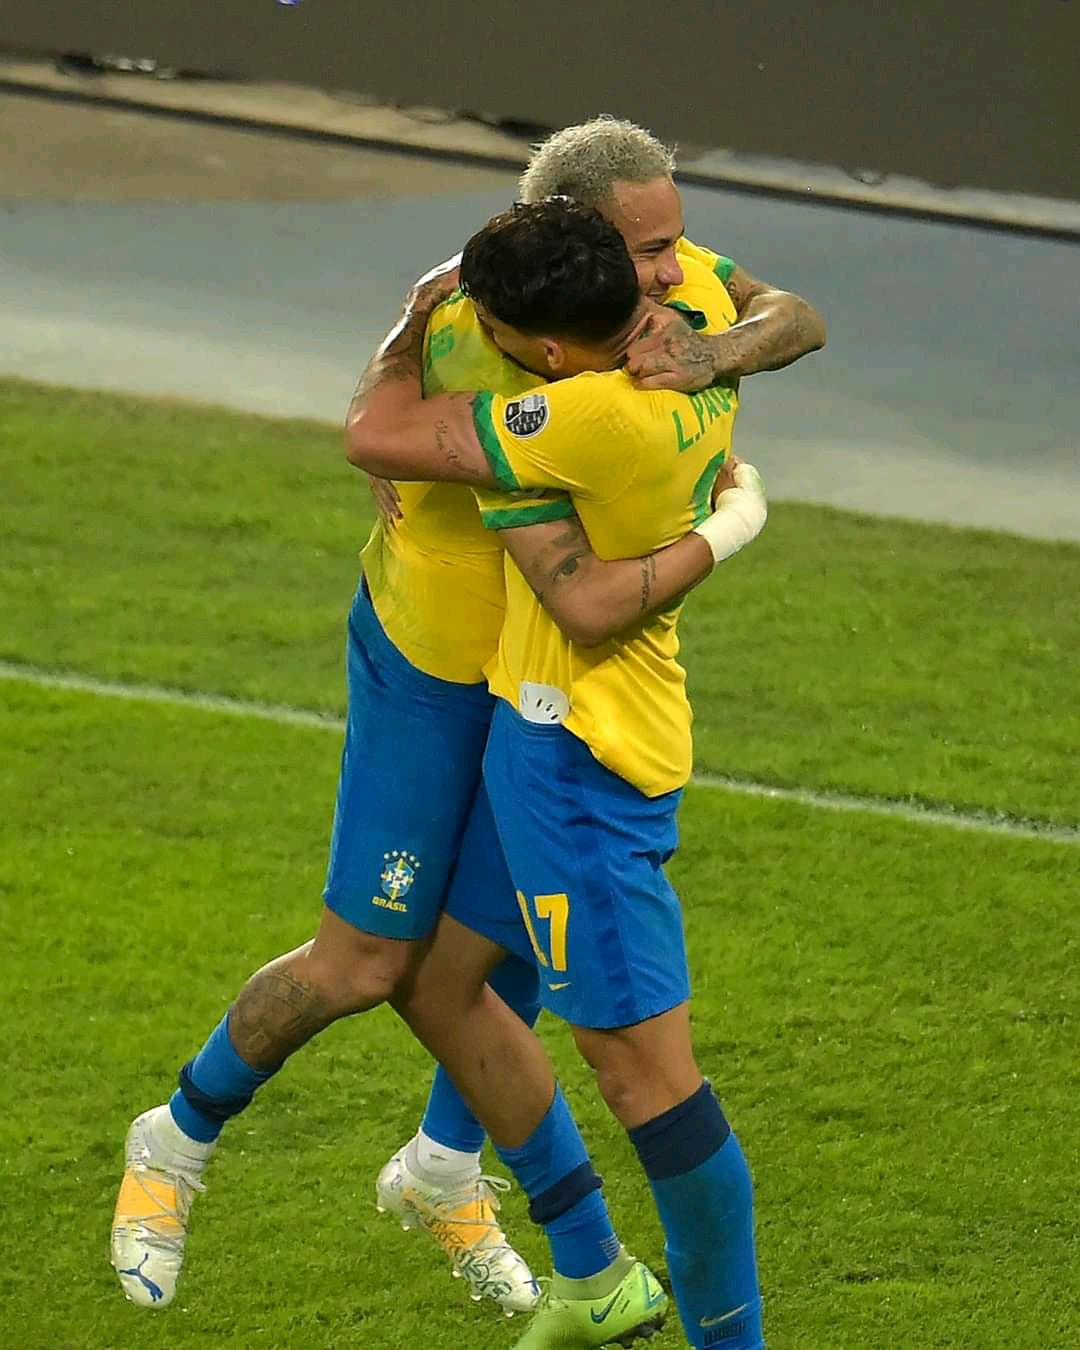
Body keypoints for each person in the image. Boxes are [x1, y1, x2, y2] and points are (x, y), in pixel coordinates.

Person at [108, 213, 765, 1321]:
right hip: (430, 673)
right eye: (649, 247)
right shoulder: (477, 343)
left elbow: (786, 313)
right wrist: (741, 507)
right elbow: (375, 433)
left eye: (671, 244)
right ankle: (175, 1139)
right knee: (366, 964)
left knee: (483, 958)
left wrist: (722, 347)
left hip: (532, 696)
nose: (668, 274)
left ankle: (502, 1209)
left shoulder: (660, 302)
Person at [346, 198, 769, 1350]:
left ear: (541, 345)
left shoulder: (578, 415)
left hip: (579, 757)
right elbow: (790, 315)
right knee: (438, 978)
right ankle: (584, 1273)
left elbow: (380, 437)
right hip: (569, 730)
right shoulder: (700, 318)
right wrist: (739, 503)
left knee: (646, 1082)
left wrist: (415, 323)